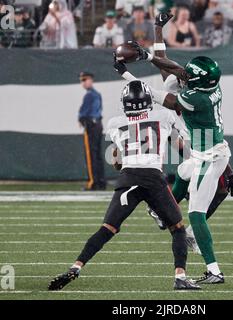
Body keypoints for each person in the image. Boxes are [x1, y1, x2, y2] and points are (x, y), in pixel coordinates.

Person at [48, 80, 201, 291]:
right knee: (178, 229)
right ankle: (180, 277)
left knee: (107, 228)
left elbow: (117, 161)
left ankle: (76, 267)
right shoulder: (164, 117)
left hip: (128, 178)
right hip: (153, 178)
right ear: (148, 100)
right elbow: (181, 149)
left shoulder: (114, 123)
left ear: (125, 102)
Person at [114, 31, 233, 283]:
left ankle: (214, 270)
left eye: (189, 76)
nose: (184, 76)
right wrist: (148, 55)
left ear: (196, 82)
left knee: (196, 215)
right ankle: (161, 212)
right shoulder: (212, 87)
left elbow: (154, 95)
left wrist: (124, 74)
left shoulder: (193, 99)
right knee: (181, 172)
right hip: (216, 150)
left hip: (208, 158)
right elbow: (176, 69)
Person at [78, 71, 106, 191]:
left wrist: (81, 119)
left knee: (91, 155)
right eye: (82, 80)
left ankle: (93, 182)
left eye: (85, 79)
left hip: (91, 124)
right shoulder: (97, 94)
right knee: (97, 155)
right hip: (98, 124)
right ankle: (100, 181)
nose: (83, 82)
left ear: (91, 80)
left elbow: (83, 113)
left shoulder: (89, 95)